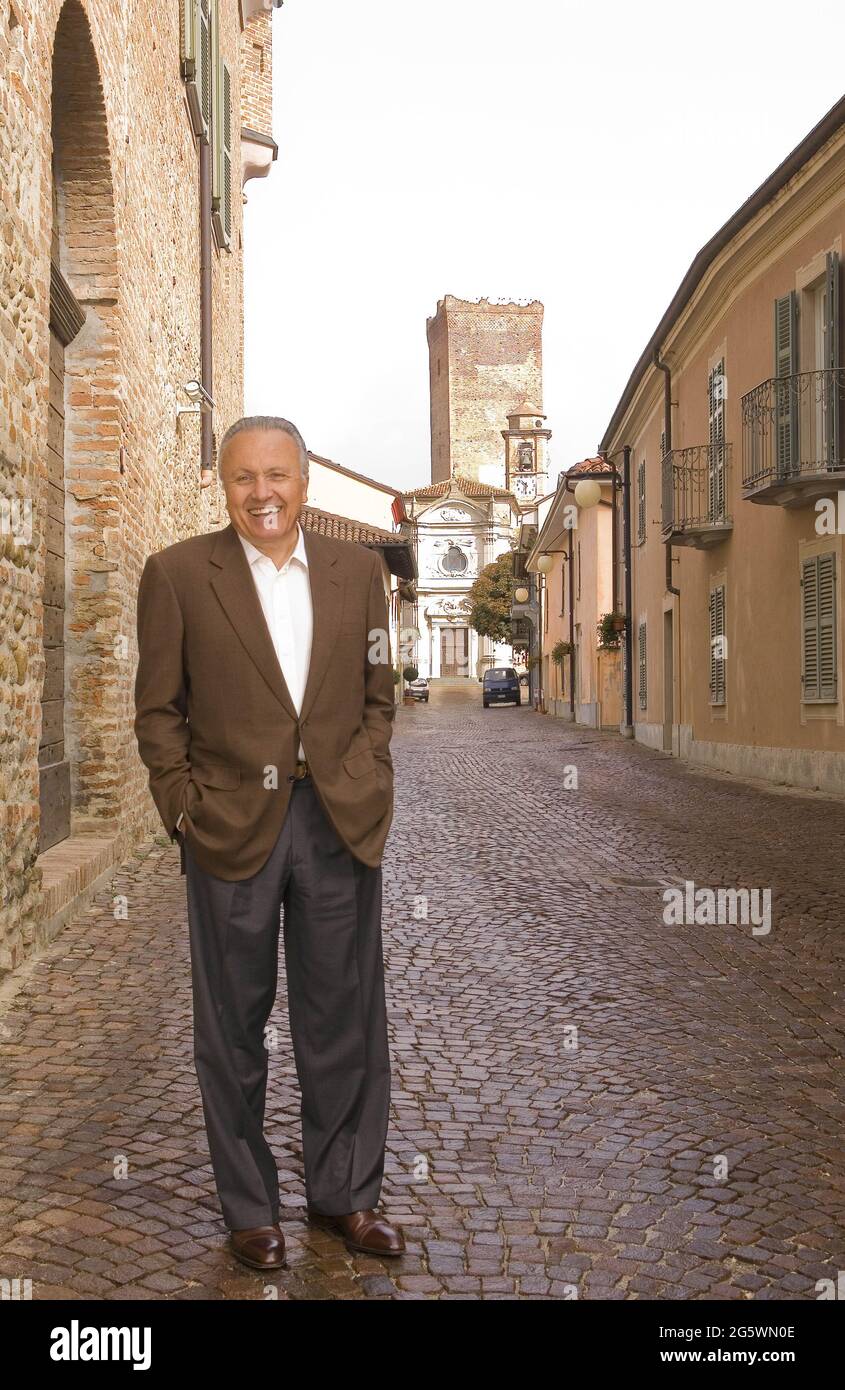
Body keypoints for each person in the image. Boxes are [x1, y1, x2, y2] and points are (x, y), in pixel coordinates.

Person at [133, 415, 404, 1270]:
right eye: (245, 478)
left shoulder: (358, 573)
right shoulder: (178, 574)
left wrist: (364, 775)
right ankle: (250, 1209)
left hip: (334, 821)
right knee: (231, 1029)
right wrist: (182, 806)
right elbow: (157, 712)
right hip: (227, 827)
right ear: (225, 486)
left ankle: (346, 1198)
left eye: (277, 476)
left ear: (303, 483)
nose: (263, 493)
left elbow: (377, 692)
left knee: (343, 1023)